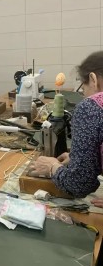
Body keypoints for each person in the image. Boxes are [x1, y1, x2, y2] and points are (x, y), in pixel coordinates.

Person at [31, 51, 103, 202]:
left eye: (83, 88)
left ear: (93, 79)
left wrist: (52, 167)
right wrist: (83, 158)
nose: (84, 95)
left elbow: (79, 184)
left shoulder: (91, 107)